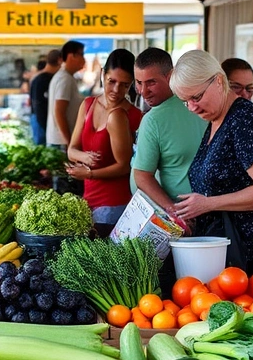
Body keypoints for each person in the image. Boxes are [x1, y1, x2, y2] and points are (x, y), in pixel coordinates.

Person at [171, 50, 253, 285]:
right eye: (185, 101)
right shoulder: (216, 119)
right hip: (238, 255)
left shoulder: (246, 121)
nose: (192, 107)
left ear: (219, 80)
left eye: (197, 97)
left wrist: (207, 204)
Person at [65, 49, 143, 225]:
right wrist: (84, 156)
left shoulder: (135, 117)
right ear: (102, 74)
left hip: (115, 204)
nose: (116, 90)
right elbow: (71, 150)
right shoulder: (87, 105)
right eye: (111, 81)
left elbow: (125, 167)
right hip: (89, 200)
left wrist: (90, 173)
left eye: (124, 85)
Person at [131, 48, 207, 214]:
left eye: (151, 82)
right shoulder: (201, 103)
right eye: (138, 82)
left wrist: (175, 212)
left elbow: (142, 176)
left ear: (171, 76)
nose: (144, 91)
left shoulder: (153, 120)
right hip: (194, 214)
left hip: (181, 219)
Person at [47, 41, 86, 150]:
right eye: (81, 55)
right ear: (71, 56)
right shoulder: (65, 79)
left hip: (60, 141)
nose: (84, 59)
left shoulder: (66, 77)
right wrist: (69, 142)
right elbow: (59, 111)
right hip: (61, 143)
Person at [29, 50, 61, 147]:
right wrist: (46, 126)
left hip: (43, 121)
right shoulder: (42, 80)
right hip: (42, 122)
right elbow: (38, 105)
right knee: (44, 153)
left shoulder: (39, 79)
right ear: (60, 61)